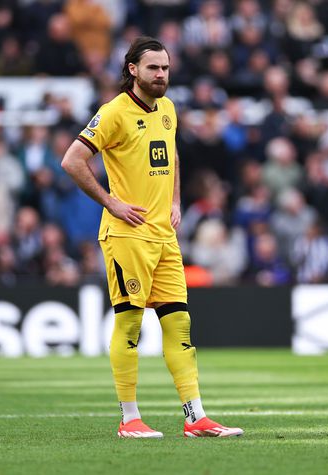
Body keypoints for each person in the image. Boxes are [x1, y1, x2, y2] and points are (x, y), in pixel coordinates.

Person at [62, 36, 243, 439]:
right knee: (129, 325)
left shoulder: (168, 109)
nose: (161, 75)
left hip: (164, 236)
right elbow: (72, 159)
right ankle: (130, 419)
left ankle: (195, 417)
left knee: (179, 325)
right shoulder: (114, 113)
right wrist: (110, 201)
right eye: (153, 68)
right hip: (126, 235)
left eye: (165, 68)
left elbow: (172, 154)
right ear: (133, 70)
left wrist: (176, 200)